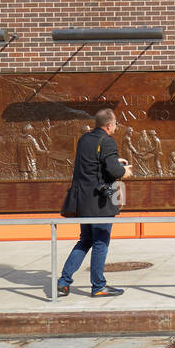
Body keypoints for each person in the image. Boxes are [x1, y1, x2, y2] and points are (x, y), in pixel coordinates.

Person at [57, 109, 132, 296]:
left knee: (85, 240)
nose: (116, 127)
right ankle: (98, 286)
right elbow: (113, 171)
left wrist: (115, 161)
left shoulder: (84, 139)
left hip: (83, 200)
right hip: (100, 202)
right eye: (115, 124)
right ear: (109, 125)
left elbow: (93, 165)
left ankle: (64, 281)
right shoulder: (107, 141)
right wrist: (124, 172)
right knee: (100, 242)